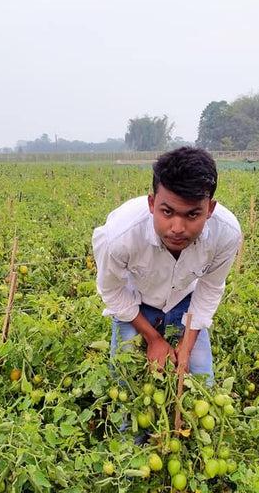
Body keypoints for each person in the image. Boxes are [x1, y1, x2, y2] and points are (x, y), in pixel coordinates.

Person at [92, 147, 241, 385]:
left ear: (210, 209)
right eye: (167, 212)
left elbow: (210, 288)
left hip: (185, 299)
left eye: (192, 215)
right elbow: (112, 290)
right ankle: (126, 424)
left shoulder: (226, 233)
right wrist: (153, 339)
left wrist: (187, 345)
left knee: (202, 380)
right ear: (152, 203)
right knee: (125, 380)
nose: (177, 227)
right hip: (136, 301)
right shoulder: (119, 236)